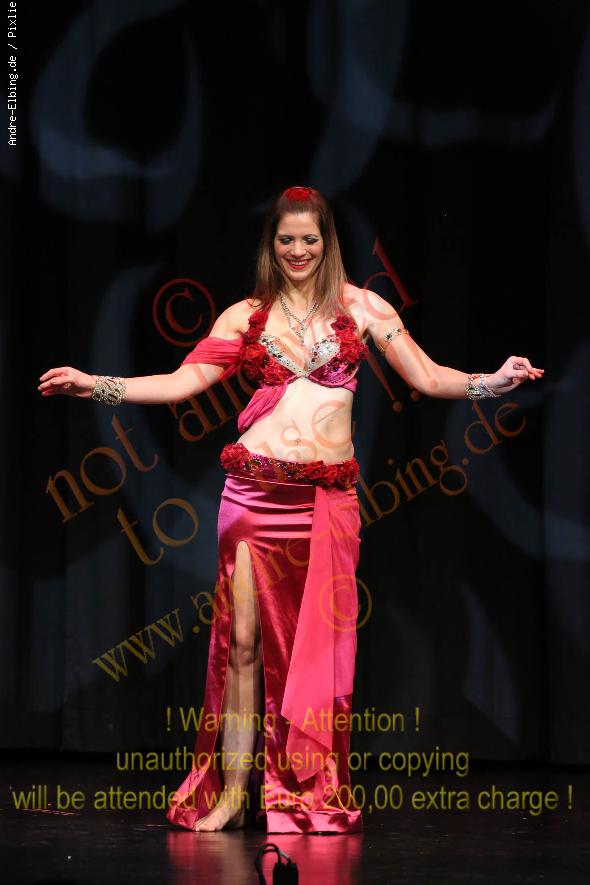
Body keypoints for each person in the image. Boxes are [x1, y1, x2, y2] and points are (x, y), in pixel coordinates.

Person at [38, 185, 543, 834]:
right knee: (242, 646)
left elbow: (427, 375)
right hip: (251, 500)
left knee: (315, 653)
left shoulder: (364, 308)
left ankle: (297, 791)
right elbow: (181, 384)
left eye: (310, 239)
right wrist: (96, 385)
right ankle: (231, 795)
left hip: (326, 504)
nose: (298, 250)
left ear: (327, 242)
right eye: (286, 239)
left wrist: (493, 382)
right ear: (270, 245)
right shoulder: (244, 317)